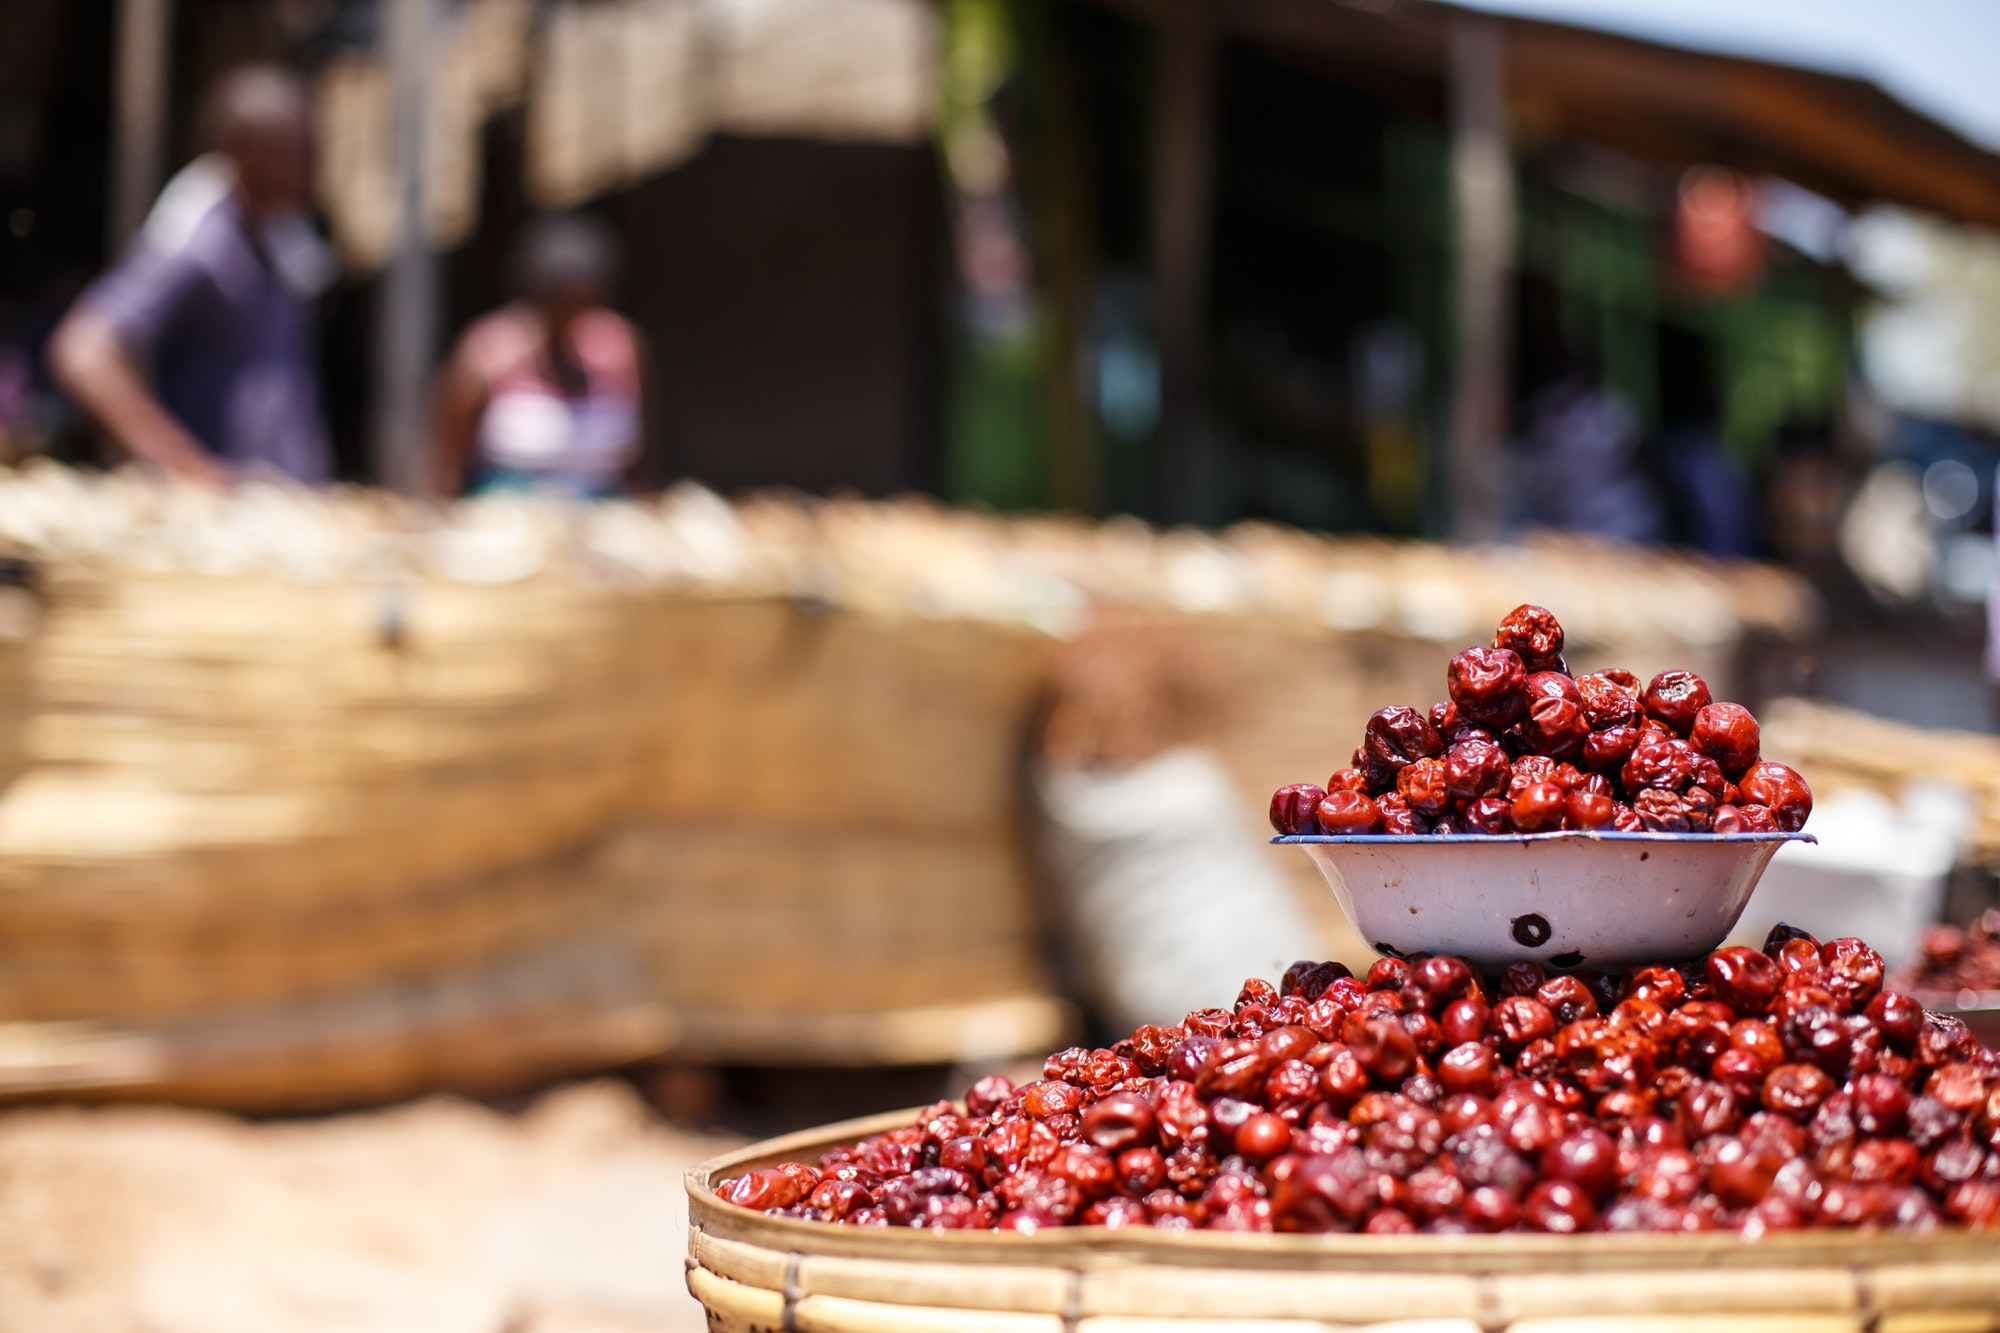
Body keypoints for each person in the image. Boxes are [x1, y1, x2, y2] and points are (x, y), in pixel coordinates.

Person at [50, 65, 331, 486]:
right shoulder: (198, 244)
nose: (311, 173)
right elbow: (84, 354)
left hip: (278, 516)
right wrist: (187, 467)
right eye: (298, 155)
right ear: (250, 151)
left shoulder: (279, 238)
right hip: (221, 531)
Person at [429, 215, 651, 499]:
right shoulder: (488, 352)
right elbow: (446, 462)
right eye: (558, 305)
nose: (568, 321)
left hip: (601, 518)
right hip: (505, 517)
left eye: (581, 306)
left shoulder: (619, 350)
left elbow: (642, 464)